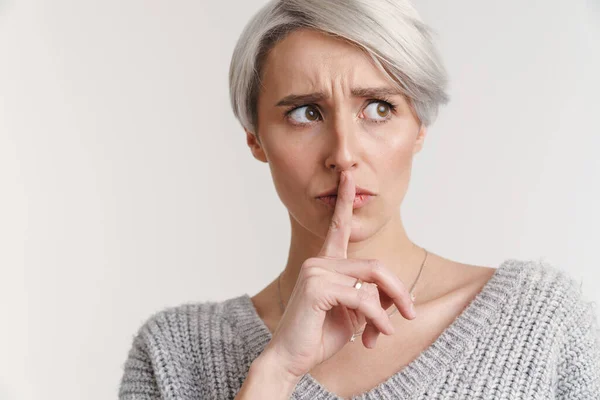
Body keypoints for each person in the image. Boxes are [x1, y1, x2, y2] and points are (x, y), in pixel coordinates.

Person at [118, 0, 600, 399]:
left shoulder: (542, 323)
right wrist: (275, 372)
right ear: (255, 139)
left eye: (378, 108)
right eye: (306, 113)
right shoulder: (174, 355)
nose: (344, 154)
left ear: (419, 128)